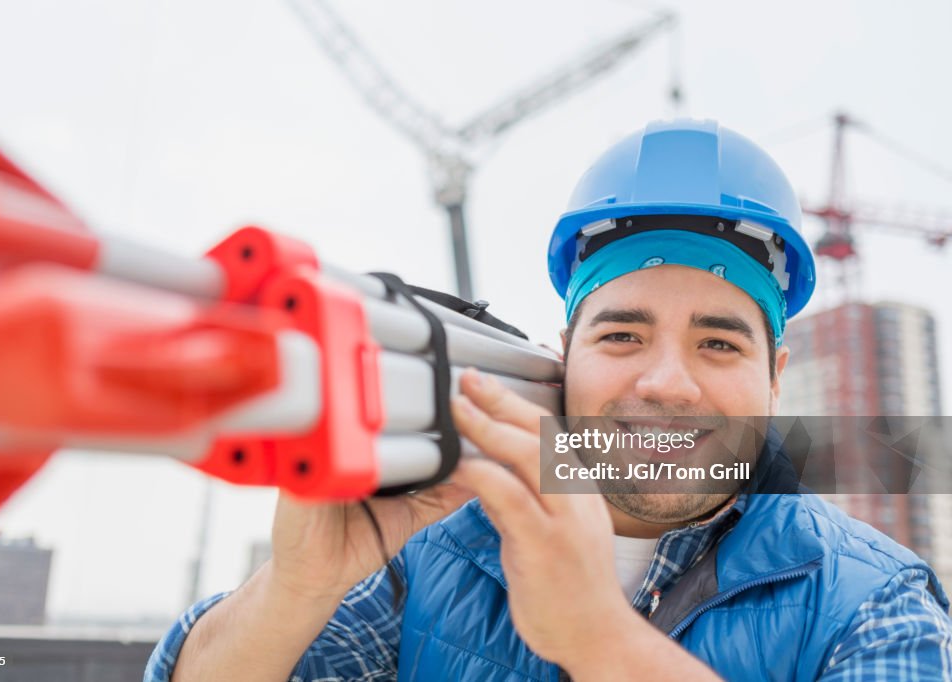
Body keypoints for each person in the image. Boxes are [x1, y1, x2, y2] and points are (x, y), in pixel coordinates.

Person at [146, 120, 952, 681]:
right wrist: (296, 588)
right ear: (565, 357)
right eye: (622, 336)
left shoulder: (871, 600)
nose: (666, 384)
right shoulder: (434, 550)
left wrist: (596, 638)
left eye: (718, 343)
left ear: (775, 376)